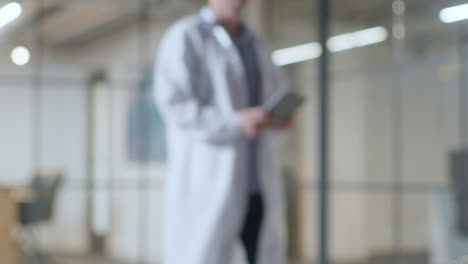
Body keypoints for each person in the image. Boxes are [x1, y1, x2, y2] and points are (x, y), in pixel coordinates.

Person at [154, 0, 291, 263]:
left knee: (260, 253)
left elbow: (273, 95)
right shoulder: (185, 36)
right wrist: (235, 122)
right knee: (205, 253)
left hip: (256, 182)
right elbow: (175, 105)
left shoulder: (256, 43)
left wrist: (278, 120)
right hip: (208, 179)